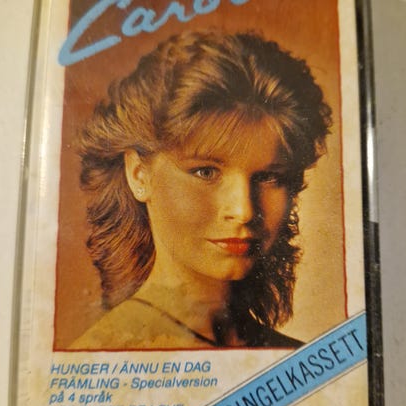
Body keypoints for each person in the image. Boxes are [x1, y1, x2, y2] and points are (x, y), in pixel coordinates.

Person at [69, 30, 332, 350]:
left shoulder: (295, 357)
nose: (244, 211)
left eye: (269, 177)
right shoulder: (102, 358)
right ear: (138, 174)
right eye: (206, 172)